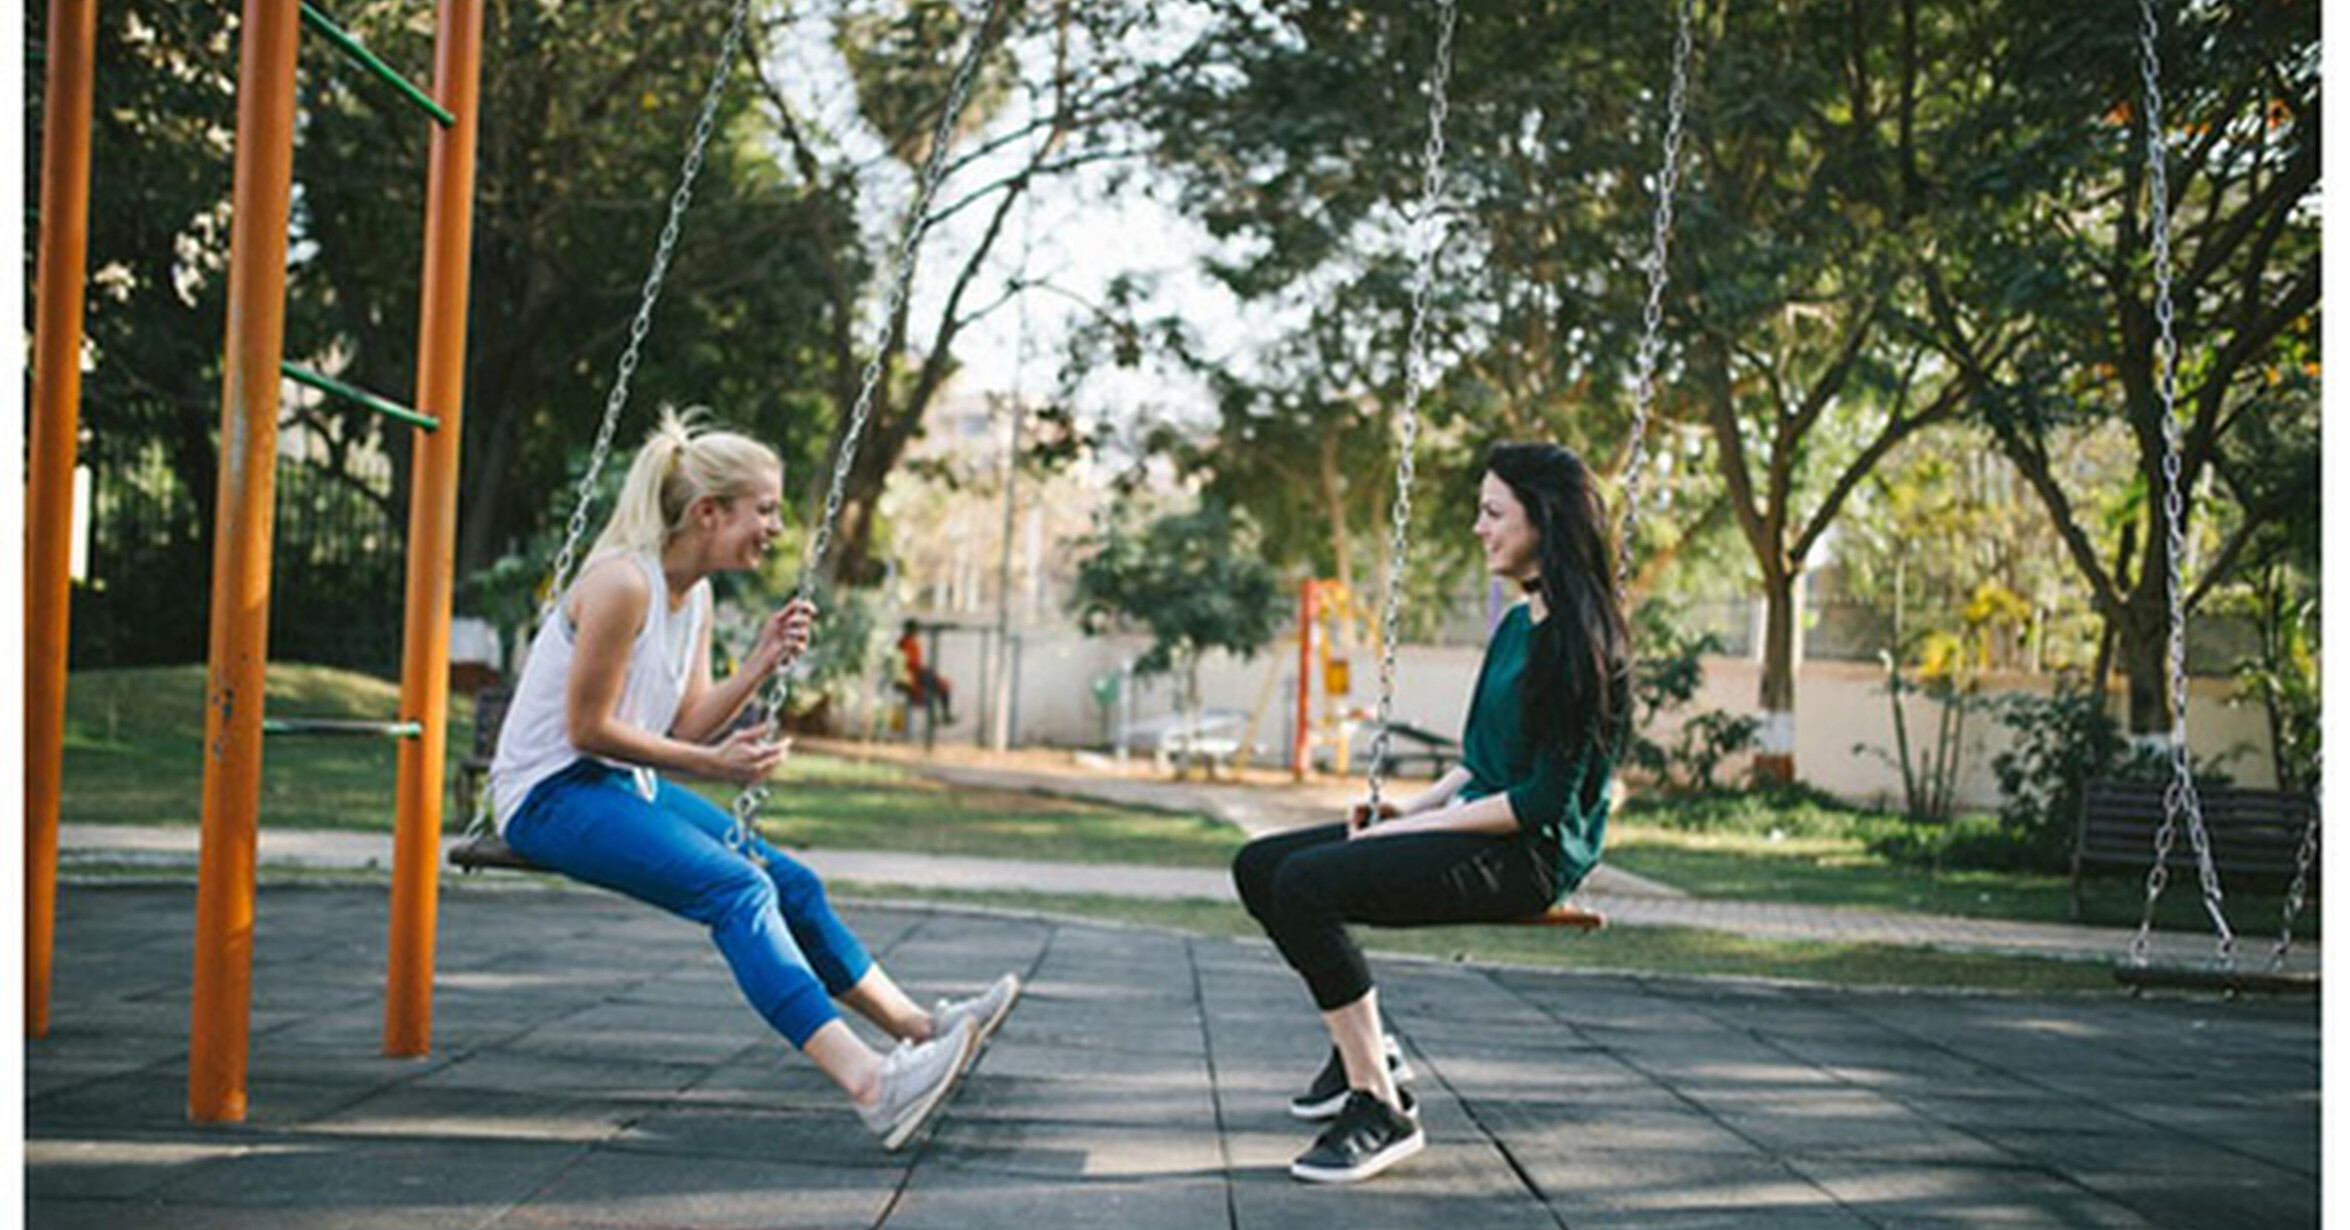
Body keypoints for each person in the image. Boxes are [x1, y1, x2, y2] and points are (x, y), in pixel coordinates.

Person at [489, 407, 1021, 1151]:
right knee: (737, 888)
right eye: (764, 510)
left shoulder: (695, 595)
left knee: (791, 883)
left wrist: (761, 662)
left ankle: (920, 1028)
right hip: (550, 794)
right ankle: (872, 1085)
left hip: (615, 786)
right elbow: (587, 730)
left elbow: (685, 725)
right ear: (709, 512)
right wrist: (714, 767)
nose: (775, 527)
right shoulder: (621, 583)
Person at [1231, 442, 1631, 1184]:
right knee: (1260, 866)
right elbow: (1481, 760)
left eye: (1493, 512)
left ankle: (1380, 1107)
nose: (1479, 528)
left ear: (1544, 519)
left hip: (1531, 853)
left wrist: (1416, 827)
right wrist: (1407, 807)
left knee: (1307, 884)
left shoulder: (1582, 642)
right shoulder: (1518, 625)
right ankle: (1367, 1050)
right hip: (1481, 821)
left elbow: (1540, 801)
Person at [895, 620, 955, 726]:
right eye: (915, 630)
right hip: (912, 675)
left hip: (917, 673)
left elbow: (914, 662)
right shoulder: (905, 643)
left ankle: (944, 715)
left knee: (943, 686)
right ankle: (939, 717)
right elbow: (909, 663)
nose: (917, 632)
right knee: (932, 691)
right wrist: (921, 670)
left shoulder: (909, 642)